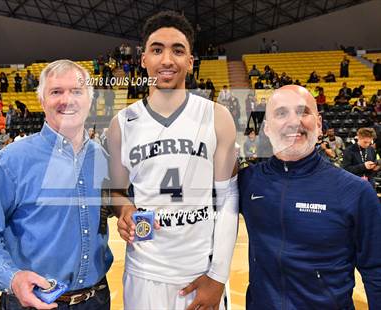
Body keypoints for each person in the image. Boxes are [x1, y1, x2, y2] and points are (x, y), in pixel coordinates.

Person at [107, 11, 238, 310]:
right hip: (144, 272)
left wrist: (217, 277)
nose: (167, 60)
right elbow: (115, 191)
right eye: (157, 49)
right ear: (143, 60)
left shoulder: (217, 117)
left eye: (178, 50)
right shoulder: (121, 123)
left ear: (191, 62)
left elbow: (228, 198)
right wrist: (124, 207)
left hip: (199, 272)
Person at [0, 60, 113, 309]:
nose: (67, 100)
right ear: (42, 101)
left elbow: (117, 208)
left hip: (96, 299)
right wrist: (11, 277)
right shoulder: (12, 160)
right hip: (32, 302)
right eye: (56, 92)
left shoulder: (103, 158)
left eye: (76, 91)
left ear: (90, 99)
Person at [238, 85, 381, 309]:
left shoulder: (356, 192)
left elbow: (377, 270)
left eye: (303, 112)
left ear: (319, 123)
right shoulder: (247, 181)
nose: (294, 121)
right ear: (266, 127)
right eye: (281, 113)